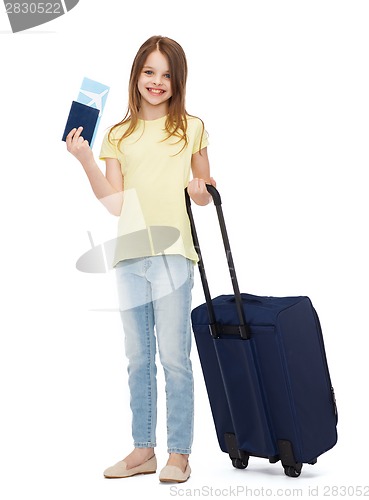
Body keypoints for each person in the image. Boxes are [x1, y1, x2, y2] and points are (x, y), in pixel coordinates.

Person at [66, 35, 215, 483]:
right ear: (136, 75)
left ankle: (180, 454)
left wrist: (199, 189)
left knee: (174, 358)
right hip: (130, 255)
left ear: (178, 81)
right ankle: (142, 449)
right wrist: (86, 160)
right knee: (138, 358)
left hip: (174, 255)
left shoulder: (191, 127)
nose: (157, 81)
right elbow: (114, 203)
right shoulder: (117, 134)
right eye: (149, 72)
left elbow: (204, 189)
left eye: (167, 74)